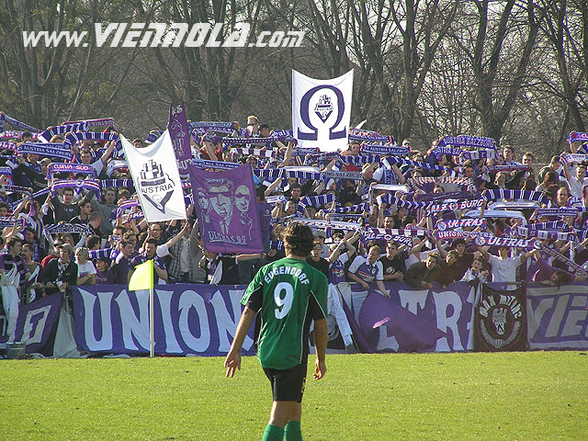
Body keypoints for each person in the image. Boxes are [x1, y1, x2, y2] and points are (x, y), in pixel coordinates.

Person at [224, 222, 328, 441]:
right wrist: (321, 358)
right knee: (279, 416)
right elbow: (320, 326)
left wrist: (235, 350)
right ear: (310, 246)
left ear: (285, 243)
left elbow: (248, 312)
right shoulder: (316, 277)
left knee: (294, 410)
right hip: (291, 354)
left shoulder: (266, 270)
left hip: (267, 350)